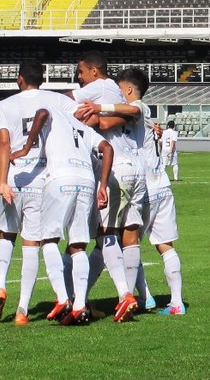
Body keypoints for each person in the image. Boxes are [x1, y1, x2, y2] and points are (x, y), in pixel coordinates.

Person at [84, 68, 185, 315]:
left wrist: (96, 108)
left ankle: (128, 296)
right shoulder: (146, 117)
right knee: (160, 244)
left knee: (114, 240)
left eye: (120, 89)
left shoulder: (138, 107)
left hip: (140, 183)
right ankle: (173, 302)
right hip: (160, 182)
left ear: (128, 89)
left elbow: (114, 118)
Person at [0, 59, 77, 326]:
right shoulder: (56, 100)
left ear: (19, 79)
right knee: (32, 244)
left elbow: (4, 142)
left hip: (14, 178)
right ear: (42, 79)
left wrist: (2, 182)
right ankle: (22, 311)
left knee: (7, 235)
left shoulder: (6, 105)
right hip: (42, 179)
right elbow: (82, 116)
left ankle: (0, 286)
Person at [11, 105, 113, 326]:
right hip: (86, 181)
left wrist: (27, 147)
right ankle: (79, 307)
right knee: (78, 245)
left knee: (49, 239)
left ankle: (63, 298)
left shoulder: (57, 113)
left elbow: (41, 113)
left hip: (61, 177)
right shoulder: (85, 129)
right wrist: (102, 186)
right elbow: (107, 148)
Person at [69, 50, 141, 322]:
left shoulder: (99, 87)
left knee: (103, 234)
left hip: (113, 169)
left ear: (94, 71)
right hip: (134, 170)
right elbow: (114, 119)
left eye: (81, 72)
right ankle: (83, 298)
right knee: (108, 237)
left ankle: (124, 295)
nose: (79, 78)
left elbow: (67, 103)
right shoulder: (121, 98)